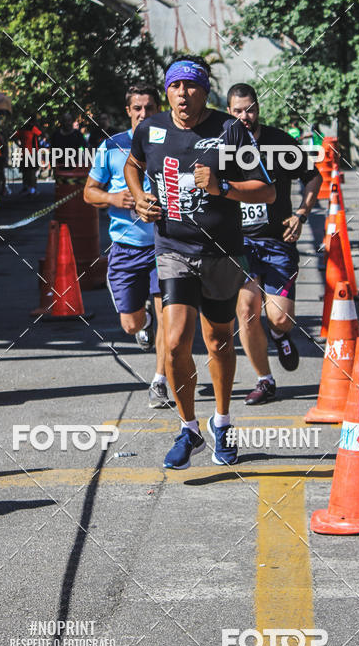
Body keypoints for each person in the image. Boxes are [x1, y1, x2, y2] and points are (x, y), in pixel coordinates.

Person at [125, 57, 275, 470]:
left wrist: (223, 187)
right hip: (173, 248)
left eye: (191, 87)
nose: (183, 94)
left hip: (223, 252)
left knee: (218, 340)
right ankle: (188, 427)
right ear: (167, 92)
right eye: (175, 87)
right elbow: (133, 165)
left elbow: (266, 191)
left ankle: (221, 422)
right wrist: (138, 197)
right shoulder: (150, 129)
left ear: (205, 92)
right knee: (174, 342)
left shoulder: (230, 130)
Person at [227, 83, 322, 405]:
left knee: (279, 317)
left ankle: (280, 333)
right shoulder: (222, 146)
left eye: (250, 109)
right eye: (238, 111)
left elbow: (313, 176)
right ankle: (264, 380)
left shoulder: (279, 142)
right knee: (246, 311)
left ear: (258, 108)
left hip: (278, 241)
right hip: (240, 243)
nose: (245, 116)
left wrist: (301, 214)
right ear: (229, 112)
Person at [84, 83, 170, 409]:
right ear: (129, 111)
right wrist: (113, 198)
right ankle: (143, 322)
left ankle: (160, 381)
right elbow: (89, 192)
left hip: (165, 245)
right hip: (126, 247)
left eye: (150, 108)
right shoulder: (112, 147)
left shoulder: (172, 142)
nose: (143, 114)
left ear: (159, 110)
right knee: (130, 323)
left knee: (168, 317)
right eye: (137, 108)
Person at [16, 114, 42, 194]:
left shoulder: (21, 129)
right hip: (32, 153)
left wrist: (20, 145)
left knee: (25, 171)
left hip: (23, 153)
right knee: (32, 172)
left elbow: (15, 137)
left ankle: (26, 186)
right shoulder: (33, 128)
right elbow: (41, 134)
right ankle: (32, 188)